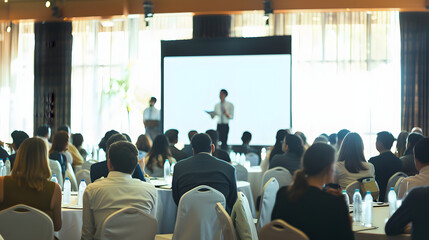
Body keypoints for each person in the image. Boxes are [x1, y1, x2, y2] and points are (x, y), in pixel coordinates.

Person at [271, 143, 353, 240]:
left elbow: (274, 231)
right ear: (329, 168)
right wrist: (348, 222)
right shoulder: (335, 203)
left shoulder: (283, 193)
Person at [82, 141, 157, 240]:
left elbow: (87, 235)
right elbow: (151, 228)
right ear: (135, 165)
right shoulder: (150, 190)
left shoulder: (92, 190)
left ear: (109, 163)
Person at [0, 137, 62, 232]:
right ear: (44, 159)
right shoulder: (54, 189)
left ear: (20, 156)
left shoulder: (2, 182)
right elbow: (57, 226)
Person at [172, 133, 237, 213]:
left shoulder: (179, 167)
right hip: (220, 221)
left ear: (193, 150)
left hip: (188, 219)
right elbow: (232, 200)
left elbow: (176, 199)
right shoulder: (229, 168)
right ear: (212, 148)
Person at [369, 131, 402, 202]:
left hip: (378, 198)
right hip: (395, 197)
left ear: (380, 143)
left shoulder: (373, 161)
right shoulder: (399, 161)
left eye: (376, 141)